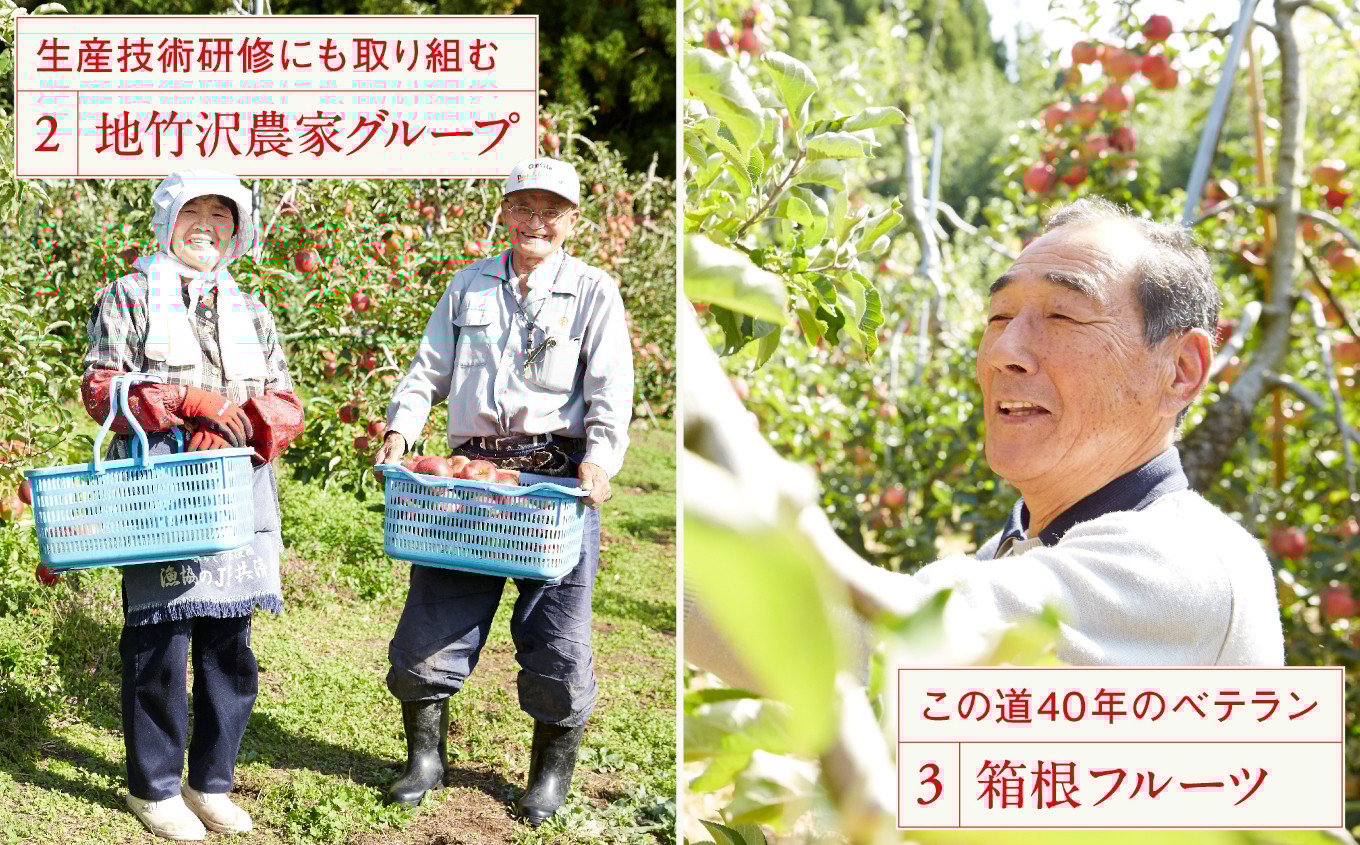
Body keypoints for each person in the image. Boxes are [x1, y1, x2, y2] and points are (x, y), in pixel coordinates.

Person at [687, 197, 1284, 673]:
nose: (1004, 351)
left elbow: (858, 640)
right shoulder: (1021, 550)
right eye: (998, 317)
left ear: (1181, 369)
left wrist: (700, 403)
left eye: (1063, 315)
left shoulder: (1178, 567)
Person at [371, 157, 634, 824]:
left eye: (551, 210)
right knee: (433, 619)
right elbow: (427, 367)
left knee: (557, 634)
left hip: (552, 482)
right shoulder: (469, 286)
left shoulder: (594, 291)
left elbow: (610, 390)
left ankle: (548, 776)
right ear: (505, 211)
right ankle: (426, 759)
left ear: (572, 220)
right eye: (524, 206)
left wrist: (600, 461)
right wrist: (402, 428)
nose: (535, 220)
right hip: (469, 479)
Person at [80, 170, 305, 840]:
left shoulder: (251, 310)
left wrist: (243, 419)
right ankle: (153, 786)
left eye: (222, 213)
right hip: (162, 491)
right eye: (193, 210)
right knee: (160, 638)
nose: (207, 224)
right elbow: (101, 388)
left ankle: (211, 780)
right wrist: (182, 404)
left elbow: (286, 400)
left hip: (238, 489)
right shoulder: (129, 295)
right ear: (166, 219)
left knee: (229, 641)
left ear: (239, 229)